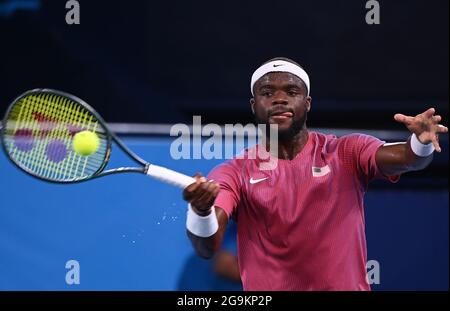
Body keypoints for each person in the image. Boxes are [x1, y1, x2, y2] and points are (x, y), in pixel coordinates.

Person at [182, 57, 448, 291]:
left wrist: (421, 142)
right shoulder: (234, 171)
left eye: (291, 91)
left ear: (307, 103)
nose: (279, 99)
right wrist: (201, 212)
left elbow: (409, 159)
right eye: (267, 92)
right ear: (254, 105)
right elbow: (207, 248)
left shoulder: (347, 151)